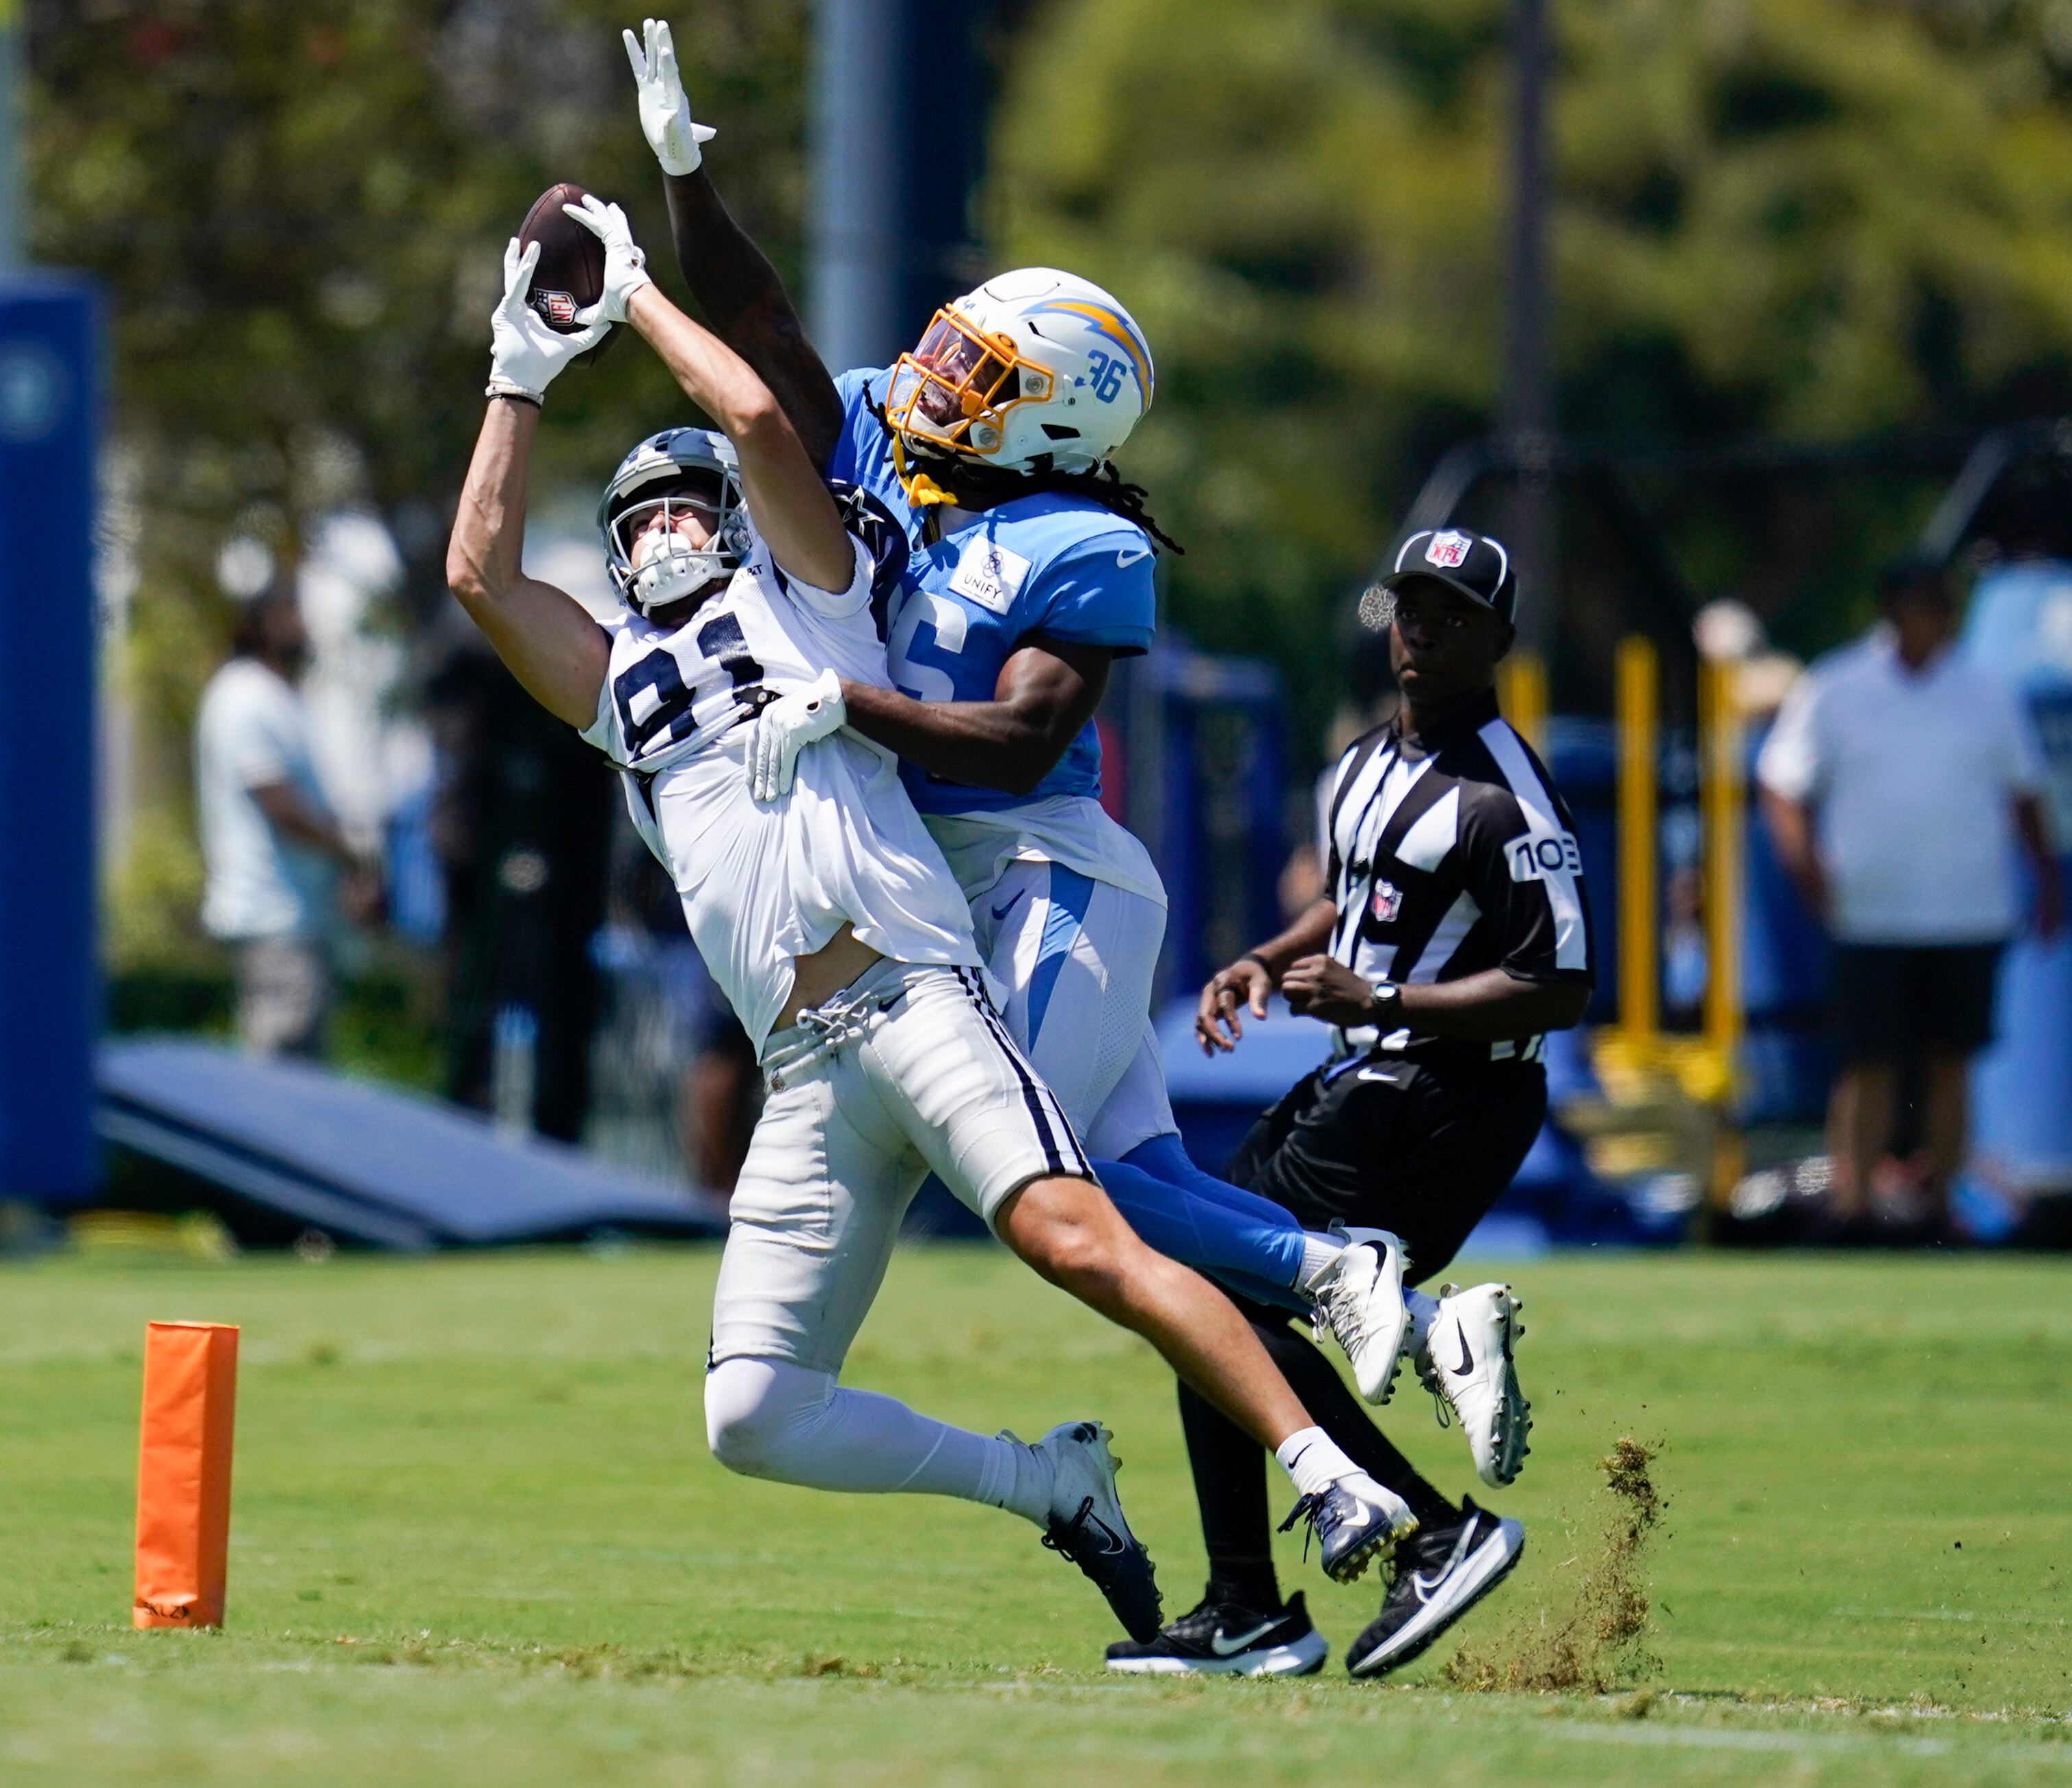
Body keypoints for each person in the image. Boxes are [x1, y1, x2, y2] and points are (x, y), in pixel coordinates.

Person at [450, 195, 1421, 1641]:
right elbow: (478, 575)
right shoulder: (617, 683)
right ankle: (1050, 1486)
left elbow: (766, 422)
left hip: (914, 993)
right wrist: (517, 376)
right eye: (634, 510)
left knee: (1077, 1233)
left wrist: (634, 298)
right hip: (803, 1067)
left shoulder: (819, 604)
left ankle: (1331, 1472)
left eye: (681, 501)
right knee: (752, 1412)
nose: (659, 525)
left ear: (738, 526)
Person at [623, 16, 1432, 1371]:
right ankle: (1356, 1351)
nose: (935, 381)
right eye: (950, 352)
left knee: (1034, 1176)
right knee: (1120, 1189)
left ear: (1057, 417)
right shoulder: (889, 440)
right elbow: (762, 328)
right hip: (942, 883)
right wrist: (683, 183)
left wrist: (845, 703)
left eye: (981, 377)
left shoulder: (1082, 543)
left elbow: (1018, 742)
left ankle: (1336, 1268)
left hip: (1047, 873)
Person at [1136, 532, 1590, 1679]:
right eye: (1407, 608)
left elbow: (1562, 980)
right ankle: (1251, 1598)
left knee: (1205, 1288)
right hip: (1363, 1082)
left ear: (1500, 638)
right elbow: (1353, 908)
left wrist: (1383, 994)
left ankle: (1430, 1532)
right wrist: (1261, 958)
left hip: (1446, 1098)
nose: (1420, 631)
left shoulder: (1502, 798)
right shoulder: (1362, 766)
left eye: (1449, 614)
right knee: (1199, 1296)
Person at [1759, 558, 2061, 1239]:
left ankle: (1943, 1209)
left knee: (1951, 1062)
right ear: (1893, 611)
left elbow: (2025, 792)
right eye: (1923, 605)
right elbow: (1781, 781)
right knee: (1867, 1064)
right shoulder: (1836, 686)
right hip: (1870, 914)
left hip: (1967, 910)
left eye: (1941, 607)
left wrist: (2047, 879)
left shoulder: (1987, 691)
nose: (1934, 620)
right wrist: (1804, 865)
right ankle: (1854, 1207)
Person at [196, 582, 381, 1059]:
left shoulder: (277, 695)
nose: (302, 627)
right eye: (290, 614)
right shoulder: (246, 694)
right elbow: (279, 804)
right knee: (280, 1077)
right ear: (259, 623)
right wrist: (351, 853)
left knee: (298, 1071)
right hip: (272, 914)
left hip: (296, 916)